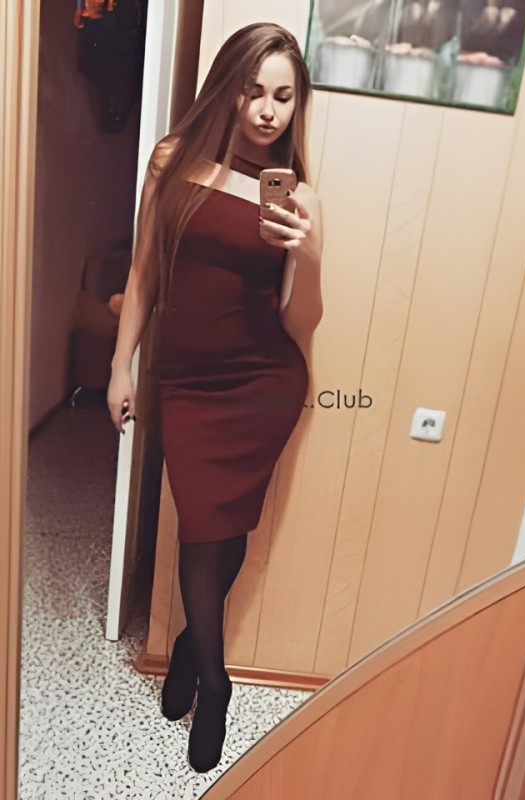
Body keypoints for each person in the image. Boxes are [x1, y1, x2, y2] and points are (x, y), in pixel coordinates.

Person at [107, 22, 323, 773]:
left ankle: (206, 672)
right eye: (253, 90)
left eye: (283, 97)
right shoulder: (172, 161)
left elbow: (301, 322)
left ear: (296, 106)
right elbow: (143, 274)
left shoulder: (295, 196)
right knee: (204, 528)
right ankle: (206, 664)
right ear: (227, 87)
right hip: (187, 385)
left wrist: (311, 255)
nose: (267, 109)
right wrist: (120, 366)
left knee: (218, 534)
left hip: (263, 385)